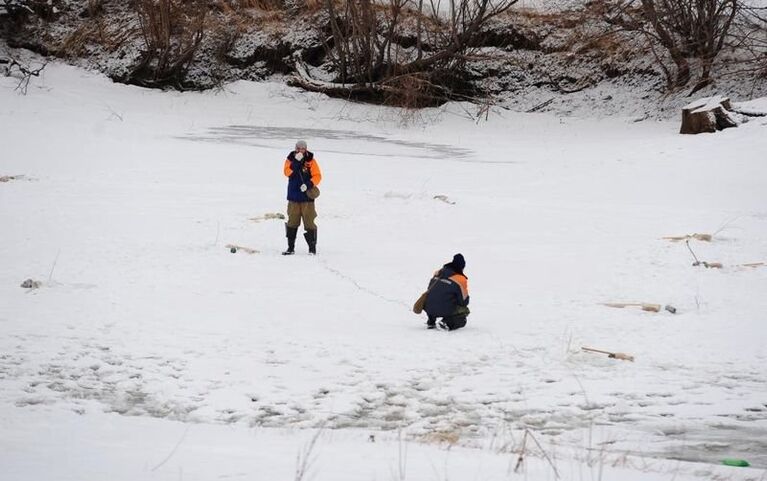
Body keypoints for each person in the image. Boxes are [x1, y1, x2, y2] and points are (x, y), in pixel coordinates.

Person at [282, 140, 322, 255]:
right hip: (293, 197)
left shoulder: (311, 161)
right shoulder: (289, 159)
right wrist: (296, 162)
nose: (301, 150)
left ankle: (312, 248)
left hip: (307, 198)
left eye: (303, 148)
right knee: (292, 222)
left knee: (309, 222)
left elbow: (318, 176)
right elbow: (287, 173)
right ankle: (290, 247)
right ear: (295, 149)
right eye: (299, 148)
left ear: (306, 149)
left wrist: (309, 184)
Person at [424, 254, 470, 330]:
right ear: (462, 267)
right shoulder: (460, 279)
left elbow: (431, 290)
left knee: (436, 297)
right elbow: (464, 301)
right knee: (464, 312)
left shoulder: (438, 273)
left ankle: (431, 321)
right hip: (444, 308)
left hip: (429, 307)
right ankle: (447, 322)